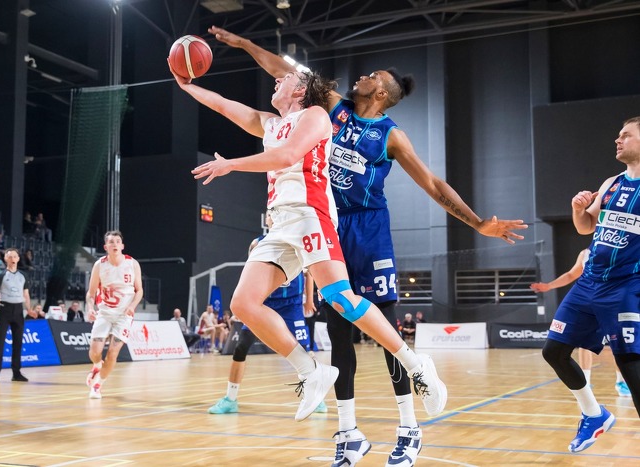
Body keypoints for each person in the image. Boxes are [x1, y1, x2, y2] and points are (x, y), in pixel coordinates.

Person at [207, 25, 528, 465]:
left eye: (372, 76)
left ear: (381, 92)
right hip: (325, 221)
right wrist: (246, 44)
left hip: (369, 229)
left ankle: (409, 428)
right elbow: (285, 70)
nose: (362, 76)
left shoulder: (390, 135)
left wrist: (476, 223)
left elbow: (433, 183)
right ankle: (348, 433)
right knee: (338, 332)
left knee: (385, 328)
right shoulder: (330, 108)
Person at [175, 55, 448, 425]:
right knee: (243, 304)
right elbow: (224, 105)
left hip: (310, 214)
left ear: (300, 90)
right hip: (280, 223)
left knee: (341, 299)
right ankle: (310, 371)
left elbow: (287, 155)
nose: (276, 81)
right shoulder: (271, 123)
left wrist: (231, 164)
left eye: (284, 79)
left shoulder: (316, 116)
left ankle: (416, 365)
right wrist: (187, 85)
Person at [541, 116, 640, 453]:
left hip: (625, 287)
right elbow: (585, 226)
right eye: (618, 135)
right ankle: (594, 414)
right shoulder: (612, 183)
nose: (618, 140)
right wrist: (577, 208)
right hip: (588, 283)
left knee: (631, 367)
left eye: (626, 135)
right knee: (554, 352)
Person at [207, 219, 327, 415]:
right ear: (267, 220)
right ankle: (230, 398)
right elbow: (251, 274)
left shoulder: (297, 239)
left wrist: (308, 300)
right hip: (265, 303)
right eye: (270, 213)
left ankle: (316, 397)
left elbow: (309, 273)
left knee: (305, 350)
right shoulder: (258, 243)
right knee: (241, 346)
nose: (273, 216)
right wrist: (245, 302)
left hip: (291, 304)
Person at [531, 249, 631, 397]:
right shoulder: (586, 253)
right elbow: (571, 274)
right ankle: (586, 381)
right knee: (583, 344)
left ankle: (621, 381)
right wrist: (549, 286)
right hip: (589, 302)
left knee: (619, 344)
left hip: (613, 301)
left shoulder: (622, 249)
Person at [85, 230, 143, 399]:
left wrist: (132, 306)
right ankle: (97, 365)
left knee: (112, 353)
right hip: (104, 313)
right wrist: (90, 308)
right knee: (94, 352)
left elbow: (139, 291)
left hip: (124, 315)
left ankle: (97, 385)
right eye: (111, 242)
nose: (115, 244)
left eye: (118, 241)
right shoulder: (99, 265)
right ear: (106, 247)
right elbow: (91, 293)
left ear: (122, 246)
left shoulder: (132, 264)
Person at [0, 248, 31, 383]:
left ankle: (16, 373)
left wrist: (29, 309)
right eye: (9, 256)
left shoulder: (23, 275)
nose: (12, 259)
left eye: (14, 256)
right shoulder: (0, 276)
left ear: (18, 259)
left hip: (18, 310)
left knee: (18, 343)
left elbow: (26, 295)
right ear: (5, 259)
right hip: (4, 309)